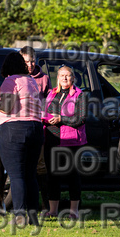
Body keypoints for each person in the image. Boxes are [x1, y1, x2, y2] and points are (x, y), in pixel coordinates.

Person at [0, 51, 43, 227]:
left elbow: (5, 107)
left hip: (13, 130)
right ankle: (33, 217)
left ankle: (20, 215)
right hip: (36, 129)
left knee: (16, 176)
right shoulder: (31, 81)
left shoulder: (11, 80)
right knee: (30, 175)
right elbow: (16, 101)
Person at [42, 65, 87, 219]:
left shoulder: (79, 95)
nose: (65, 78)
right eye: (62, 75)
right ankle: (53, 210)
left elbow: (81, 119)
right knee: (52, 176)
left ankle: (74, 211)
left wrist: (62, 119)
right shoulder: (51, 94)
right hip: (51, 140)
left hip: (71, 142)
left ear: (73, 78)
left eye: (68, 75)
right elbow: (45, 111)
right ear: (58, 78)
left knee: (72, 176)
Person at [19, 46, 52, 211]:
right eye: (26, 62)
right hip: (18, 126)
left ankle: (45, 204)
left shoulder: (44, 78)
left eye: (32, 61)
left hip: (38, 126)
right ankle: (22, 203)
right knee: (21, 165)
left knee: (39, 166)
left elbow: (49, 100)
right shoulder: (16, 77)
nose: (30, 65)